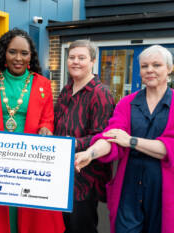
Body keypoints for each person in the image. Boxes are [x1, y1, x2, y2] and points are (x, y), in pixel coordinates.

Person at [75, 45, 174, 233]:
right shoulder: (127, 103)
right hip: (129, 188)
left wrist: (131, 141)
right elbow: (112, 136)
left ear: (169, 69)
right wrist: (90, 153)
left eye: (156, 65)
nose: (149, 70)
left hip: (166, 191)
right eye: (144, 66)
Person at [0, 29, 65, 233]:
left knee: (29, 212)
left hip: (29, 158)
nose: (18, 58)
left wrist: (46, 128)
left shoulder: (43, 84)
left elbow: (48, 118)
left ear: (31, 56)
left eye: (24, 53)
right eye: (12, 52)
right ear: (4, 53)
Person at [54, 40, 114, 233]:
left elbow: (102, 136)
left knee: (81, 227)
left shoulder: (100, 93)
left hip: (84, 177)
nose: (76, 62)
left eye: (82, 58)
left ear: (93, 61)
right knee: (63, 227)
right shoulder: (66, 89)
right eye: (72, 57)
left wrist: (68, 144)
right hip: (62, 171)